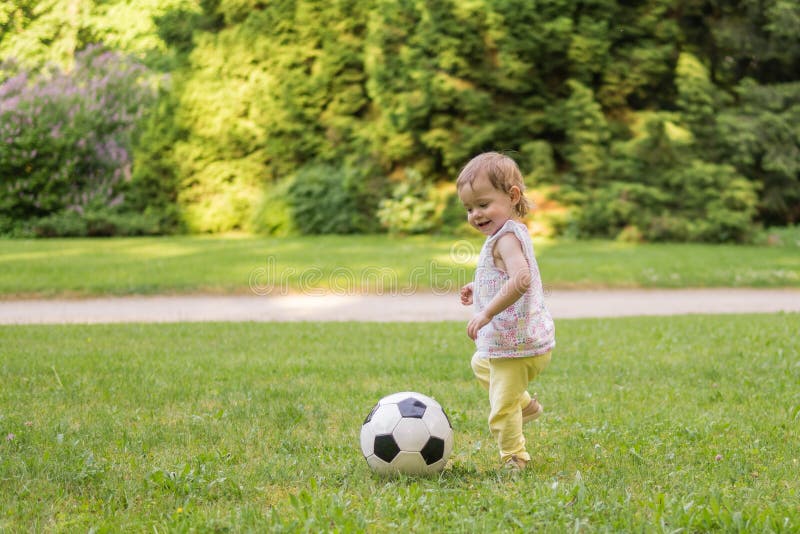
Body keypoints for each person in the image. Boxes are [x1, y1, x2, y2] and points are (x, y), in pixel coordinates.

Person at [457, 151, 555, 471]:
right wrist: (480, 292)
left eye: (483, 205)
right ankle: (525, 405)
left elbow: (521, 279)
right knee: (480, 364)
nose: (475, 215)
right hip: (514, 343)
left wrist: (485, 315)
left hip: (516, 346)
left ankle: (515, 458)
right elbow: (503, 278)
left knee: (500, 408)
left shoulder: (507, 238)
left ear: (512, 196)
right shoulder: (502, 235)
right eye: (470, 208)